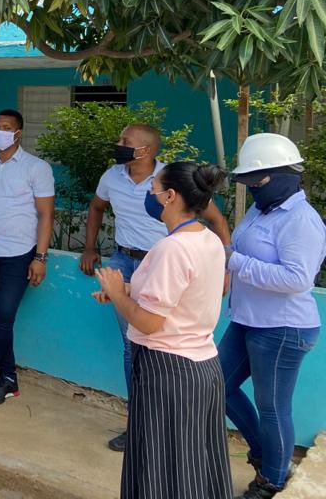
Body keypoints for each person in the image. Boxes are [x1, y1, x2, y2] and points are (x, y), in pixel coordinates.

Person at [79, 122, 231, 451]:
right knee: (132, 343)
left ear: (146, 151)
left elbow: (217, 220)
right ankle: (139, 421)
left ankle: (149, 425)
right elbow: (96, 207)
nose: (118, 144)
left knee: (150, 335)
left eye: (125, 141)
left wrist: (225, 268)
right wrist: (92, 250)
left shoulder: (174, 182)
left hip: (164, 262)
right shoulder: (112, 176)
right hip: (128, 260)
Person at [94, 162, 233, 499]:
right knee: (195, 465)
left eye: (153, 188)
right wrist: (126, 291)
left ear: (170, 197)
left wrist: (117, 295)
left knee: (161, 470)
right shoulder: (209, 241)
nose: (149, 194)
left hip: (167, 372)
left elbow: (149, 322)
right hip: (202, 368)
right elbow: (183, 297)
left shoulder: (172, 249)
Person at [218, 133, 326, 499]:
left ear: (285, 175)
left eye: (257, 180)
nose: (252, 189)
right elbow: (241, 248)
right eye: (248, 181)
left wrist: (234, 261)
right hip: (248, 320)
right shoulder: (261, 208)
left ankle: (272, 479)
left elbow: (297, 279)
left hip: (283, 329)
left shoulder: (301, 220)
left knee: (273, 409)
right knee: (217, 385)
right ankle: (265, 453)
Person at [0, 109, 55, 405]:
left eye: (6, 127)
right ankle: (8, 378)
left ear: (18, 133)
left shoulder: (37, 168)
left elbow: (46, 215)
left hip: (20, 252)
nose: (0, 131)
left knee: (4, 316)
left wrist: (40, 258)